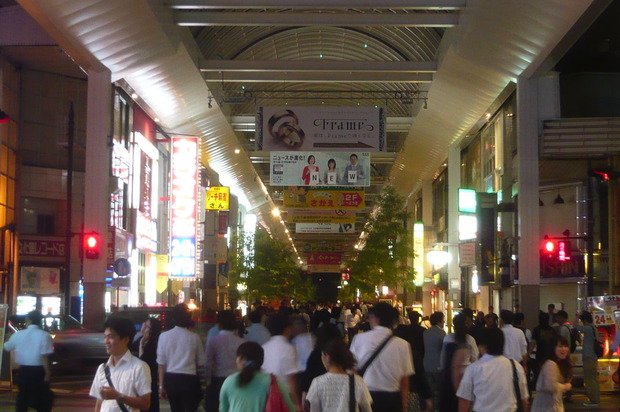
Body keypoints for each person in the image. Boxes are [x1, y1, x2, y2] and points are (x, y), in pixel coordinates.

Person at [350, 302, 414, 412]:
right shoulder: (403, 345)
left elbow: (352, 371)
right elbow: (404, 381)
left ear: (376, 318)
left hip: (366, 397)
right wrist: (404, 406)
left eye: (370, 317)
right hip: (392, 399)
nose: (369, 320)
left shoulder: (359, 339)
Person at [456, 327, 529, 412]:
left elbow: (464, 401)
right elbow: (524, 400)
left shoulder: (473, 369)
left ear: (483, 346)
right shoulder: (516, 367)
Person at [90, 316, 152, 411]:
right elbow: (99, 403)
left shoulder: (139, 367)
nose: (106, 341)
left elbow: (145, 403)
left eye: (111, 336)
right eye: (105, 336)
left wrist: (118, 396)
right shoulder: (102, 368)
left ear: (126, 339)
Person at [219, 341, 295, 412]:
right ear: (261, 361)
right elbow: (290, 408)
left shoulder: (229, 382)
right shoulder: (273, 381)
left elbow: (223, 409)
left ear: (240, 359)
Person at [156, 304, 205, 412]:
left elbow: (161, 364)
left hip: (171, 379)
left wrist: (161, 386)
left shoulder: (164, 336)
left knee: (175, 408)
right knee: (191, 408)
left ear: (173, 318)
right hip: (190, 379)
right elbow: (200, 362)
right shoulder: (194, 337)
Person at [4, 310, 54, 412]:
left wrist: (7, 338)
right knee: (41, 400)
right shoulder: (45, 335)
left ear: (28, 320)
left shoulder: (18, 335)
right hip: (39, 371)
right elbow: (45, 357)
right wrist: (47, 373)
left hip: (23, 371)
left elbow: (7, 347)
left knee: (22, 398)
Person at [306, 339, 373, 412]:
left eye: (322, 355)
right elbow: (367, 407)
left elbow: (313, 408)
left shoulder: (318, 382)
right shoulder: (358, 381)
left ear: (327, 357)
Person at [204, 310, 246, 412]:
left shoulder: (213, 340)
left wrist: (207, 380)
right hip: (237, 380)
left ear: (219, 324)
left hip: (218, 380)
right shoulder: (242, 342)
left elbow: (208, 362)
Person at [262, 313, 303, 411]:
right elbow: (291, 380)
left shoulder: (264, 347)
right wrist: (296, 404)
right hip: (284, 398)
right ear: (286, 329)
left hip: (267, 397)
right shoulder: (289, 348)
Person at [394, 311, 432, 412]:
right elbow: (421, 375)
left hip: (393, 392)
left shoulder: (394, 351)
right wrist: (427, 396)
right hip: (412, 390)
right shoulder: (422, 331)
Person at [531, 335, 572, 412]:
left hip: (552, 405)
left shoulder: (558, 363)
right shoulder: (550, 364)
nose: (563, 349)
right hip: (546, 407)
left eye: (565, 346)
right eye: (560, 346)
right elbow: (550, 386)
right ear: (552, 348)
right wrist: (566, 386)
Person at [438, 314, 469, 412]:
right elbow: (456, 367)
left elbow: (443, 358)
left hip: (447, 378)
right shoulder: (467, 341)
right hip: (461, 380)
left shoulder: (447, 338)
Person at [133, 318, 162, 412]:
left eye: (146, 325)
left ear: (151, 331)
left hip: (149, 379)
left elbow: (143, 362)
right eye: (144, 324)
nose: (143, 326)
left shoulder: (154, 343)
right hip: (137, 379)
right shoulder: (140, 339)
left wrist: (141, 345)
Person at [574, 311, 600, 407]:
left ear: (584, 320)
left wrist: (577, 316)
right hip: (593, 357)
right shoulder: (594, 328)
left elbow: (575, 326)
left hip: (589, 357)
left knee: (589, 380)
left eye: (582, 320)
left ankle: (593, 400)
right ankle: (596, 399)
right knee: (594, 379)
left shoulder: (588, 328)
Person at [527, 311, 557, 393]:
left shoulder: (537, 330)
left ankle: (542, 389)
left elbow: (533, 343)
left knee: (540, 373)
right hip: (551, 355)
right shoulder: (552, 330)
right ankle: (550, 387)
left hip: (540, 355)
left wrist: (528, 353)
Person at [423, 311, 446, 396]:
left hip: (426, 364)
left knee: (430, 390)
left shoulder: (426, 332)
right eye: (443, 319)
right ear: (439, 321)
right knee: (438, 391)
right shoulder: (442, 333)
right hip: (437, 365)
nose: (444, 321)